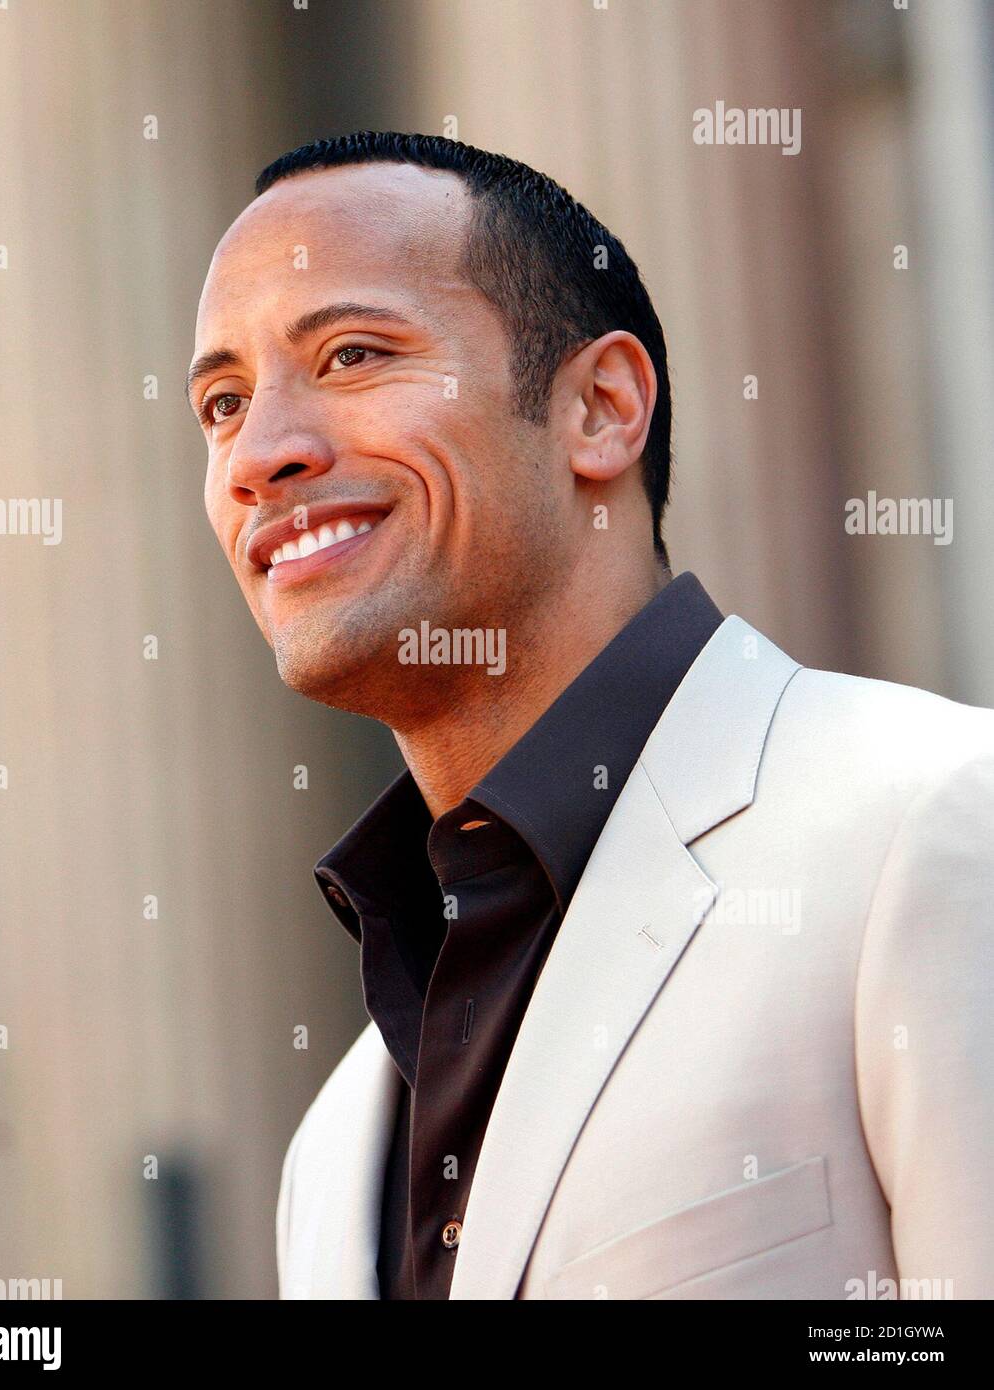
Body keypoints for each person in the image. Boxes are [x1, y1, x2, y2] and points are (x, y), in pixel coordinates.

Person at [186, 131, 994, 1300]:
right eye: (221, 402)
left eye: (353, 353)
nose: (259, 455)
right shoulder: (333, 1146)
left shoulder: (936, 824)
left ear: (601, 410)